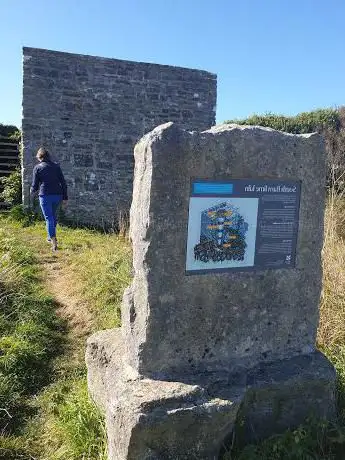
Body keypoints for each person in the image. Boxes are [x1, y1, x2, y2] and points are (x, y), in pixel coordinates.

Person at [31, 147, 68, 251]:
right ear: (49, 156)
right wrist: (65, 197)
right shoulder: (56, 167)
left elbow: (35, 185)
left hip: (45, 195)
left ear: (39, 157)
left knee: (48, 218)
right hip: (57, 195)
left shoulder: (37, 168)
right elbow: (63, 183)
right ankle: (49, 236)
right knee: (53, 217)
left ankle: (53, 240)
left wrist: (32, 192)